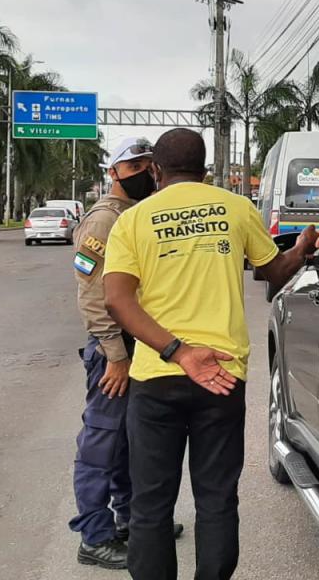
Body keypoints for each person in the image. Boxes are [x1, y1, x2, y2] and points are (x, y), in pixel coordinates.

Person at [103, 129, 317, 580]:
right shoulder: (236, 208)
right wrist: (300, 250)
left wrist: (178, 352)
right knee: (216, 497)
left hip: (155, 376)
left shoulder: (133, 221)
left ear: (156, 170)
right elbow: (275, 271)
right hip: (221, 375)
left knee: (150, 503)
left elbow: (117, 301)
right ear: (206, 171)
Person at [69, 138, 185, 569]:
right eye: (133, 166)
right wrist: (116, 355)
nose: (143, 173)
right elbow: (92, 295)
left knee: (127, 443)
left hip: (137, 347)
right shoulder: (103, 221)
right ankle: (94, 537)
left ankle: (131, 521)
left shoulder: (137, 214)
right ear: (114, 173)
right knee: (101, 442)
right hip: (113, 350)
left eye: (147, 165)